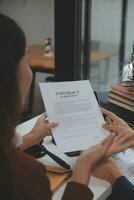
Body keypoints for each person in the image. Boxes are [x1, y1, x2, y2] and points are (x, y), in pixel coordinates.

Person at [0, 13, 133, 200]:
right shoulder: (27, 175)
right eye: (27, 60)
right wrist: (83, 167)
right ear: (10, 76)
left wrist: (31, 137)